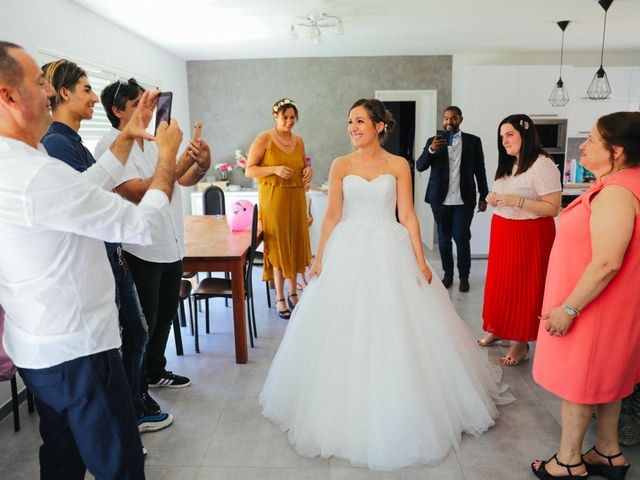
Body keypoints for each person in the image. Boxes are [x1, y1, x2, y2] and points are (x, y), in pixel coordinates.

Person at [259, 98, 514, 471]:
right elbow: (331, 214)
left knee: (396, 325)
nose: (352, 128)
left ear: (379, 126)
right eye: (350, 122)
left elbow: (408, 214)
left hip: (388, 245)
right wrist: (319, 257)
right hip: (347, 246)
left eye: (360, 121)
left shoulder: (397, 165)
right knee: (342, 327)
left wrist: (420, 258)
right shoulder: (339, 165)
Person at [0, 41, 182, 479]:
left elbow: (84, 188)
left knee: (61, 456)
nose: (49, 92)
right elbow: (142, 227)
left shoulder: (23, 160)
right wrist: (167, 157)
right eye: (40, 82)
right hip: (78, 348)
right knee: (118, 462)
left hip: (37, 343)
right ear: (8, 96)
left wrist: (124, 138)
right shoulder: (36, 173)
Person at [39, 59, 173, 434]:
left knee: (135, 335)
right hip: (96, 265)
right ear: (62, 93)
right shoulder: (56, 145)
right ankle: (128, 413)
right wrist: (164, 157)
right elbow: (100, 202)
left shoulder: (71, 143)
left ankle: (132, 408)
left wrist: (131, 133)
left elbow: (98, 184)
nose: (94, 97)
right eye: (86, 89)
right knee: (127, 340)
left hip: (110, 257)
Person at [532, 112, 640, 480]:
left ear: (617, 151)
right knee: (609, 381)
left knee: (579, 385)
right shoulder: (620, 184)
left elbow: (608, 262)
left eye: (592, 140)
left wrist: (568, 307)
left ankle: (567, 462)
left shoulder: (617, 193)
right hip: (609, 308)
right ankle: (608, 453)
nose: (583, 145)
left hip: (594, 308)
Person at [95, 79, 211, 396]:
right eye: (138, 105)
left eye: (150, 104)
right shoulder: (110, 144)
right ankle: (139, 386)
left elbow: (181, 179)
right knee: (143, 325)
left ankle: (156, 370)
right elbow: (136, 191)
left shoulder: (153, 139)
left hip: (170, 243)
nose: (148, 111)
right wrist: (174, 158)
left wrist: (199, 163)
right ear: (117, 110)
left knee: (165, 319)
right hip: (139, 247)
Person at [478, 115, 561, 366]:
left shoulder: (543, 165)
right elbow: (503, 192)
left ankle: (521, 343)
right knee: (501, 283)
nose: (504, 141)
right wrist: (492, 196)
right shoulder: (509, 164)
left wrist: (517, 201)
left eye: (510, 134)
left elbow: (553, 208)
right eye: (502, 137)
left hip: (530, 234)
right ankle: (500, 327)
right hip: (503, 229)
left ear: (525, 135)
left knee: (523, 287)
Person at [245, 98, 313, 318]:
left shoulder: (299, 140)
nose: (289, 121)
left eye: (293, 117)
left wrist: (308, 172)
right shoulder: (264, 138)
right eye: (285, 117)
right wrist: (274, 169)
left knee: (294, 242)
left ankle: (294, 293)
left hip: (296, 197)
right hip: (274, 199)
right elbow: (250, 171)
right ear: (275, 116)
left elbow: (302, 167)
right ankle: (280, 297)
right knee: (278, 245)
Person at [415, 106, 489, 292]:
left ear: (460, 119)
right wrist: (431, 149)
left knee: (462, 237)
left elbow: (480, 169)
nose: (449, 122)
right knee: (443, 239)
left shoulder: (473, 141)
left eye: (453, 118)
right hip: (439, 199)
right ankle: (448, 275)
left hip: (464, 200)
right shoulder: (433, 141)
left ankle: (464, 276)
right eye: (446, 118)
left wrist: (484, 195)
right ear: (443, 120)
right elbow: (420, 166)